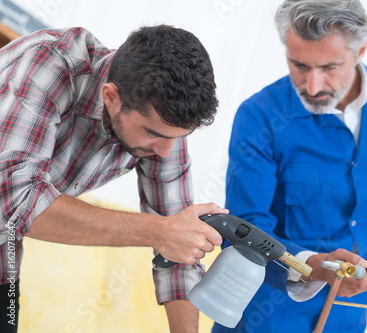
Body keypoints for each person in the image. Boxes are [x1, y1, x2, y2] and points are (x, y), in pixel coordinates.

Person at [214, 0, 367, 332]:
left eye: (329, 68)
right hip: (264, 318)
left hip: (351, 319)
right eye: (298, 65)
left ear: (361, 49)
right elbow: (245, 227)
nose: (312, 86)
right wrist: (311, 267)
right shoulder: (259, 116)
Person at [0, 25, 228, 333]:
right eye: (153, 135)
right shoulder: (50, 64)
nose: (165, 152)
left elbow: (178, 246)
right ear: (111, 97)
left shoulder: (163, 123)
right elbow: (14, 197)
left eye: (178, 138)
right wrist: (160, 232)